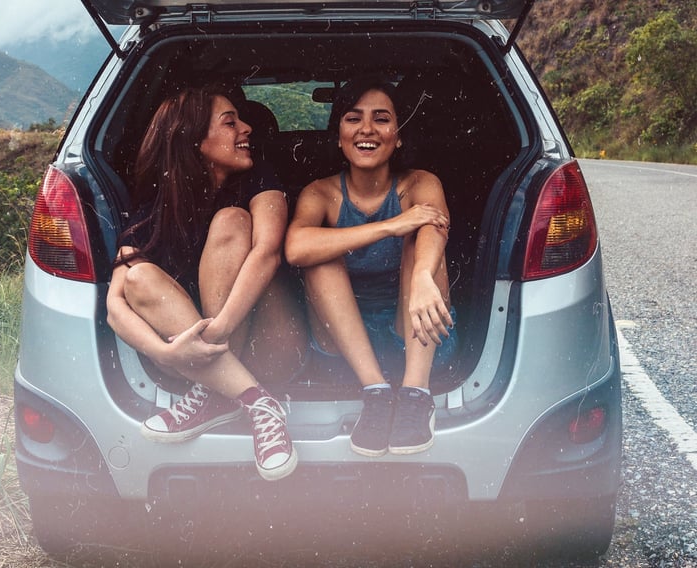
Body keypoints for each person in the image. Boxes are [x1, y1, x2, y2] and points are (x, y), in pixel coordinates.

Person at [106, 86, 304, 481]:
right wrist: (164, 356)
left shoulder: (260, 180)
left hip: (272, 348)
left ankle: (221, 393)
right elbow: (115, 303)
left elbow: (268, 252)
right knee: (138, 276)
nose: (247, 128)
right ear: (191, 139)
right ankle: (255, 401)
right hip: (193, 363)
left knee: (232, 221)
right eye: (231, 122)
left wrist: (215, 336)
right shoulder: (155, 207)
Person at [285, 75, 457, 458]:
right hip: (345, 349)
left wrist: (425, 276)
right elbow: (296, 248)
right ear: (338, 134)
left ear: (399, 135)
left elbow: (434, 225)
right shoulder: (321, 192)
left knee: (423, 240)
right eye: (353, 118)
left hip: (415, 334)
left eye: (381, 119)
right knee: (319, 255)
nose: (366, 130)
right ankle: (376, 394)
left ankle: (416, 394)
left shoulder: (420, 182)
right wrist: (390, 226)